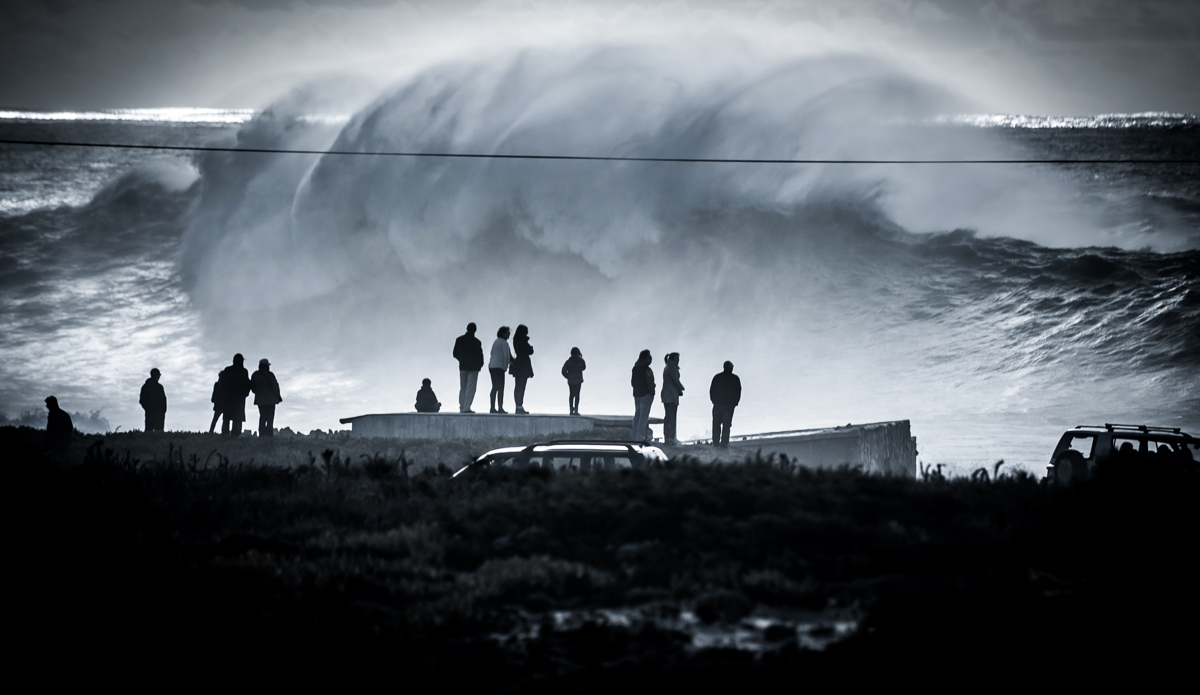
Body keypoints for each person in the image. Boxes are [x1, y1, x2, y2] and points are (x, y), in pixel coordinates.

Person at [217, 353, 252, 436]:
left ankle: (225, 435)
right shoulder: (244, 371)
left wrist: (223, 393)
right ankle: (235, 435)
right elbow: (247, 384)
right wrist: (245, 394)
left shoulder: (228, 370)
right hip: (239, 398)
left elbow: (222, 383)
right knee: (238, 418)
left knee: (227, 418)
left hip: (228, 397)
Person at [453, 323, 484, 413]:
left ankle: (462, 406)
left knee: (463, 387)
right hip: (474, 368)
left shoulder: (459, 340)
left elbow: (455, 353)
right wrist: (479, 365)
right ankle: (466, 407)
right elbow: (480, 355)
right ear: (475, 330)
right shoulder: (477, 342)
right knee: (471, 388)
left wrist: (461, 360)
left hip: (463, 366)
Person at [709, 361, 741, 448]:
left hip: (718, 404)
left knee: (716, 424)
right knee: (726, 425)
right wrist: (735, 403)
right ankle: (724, 443)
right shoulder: (735, 378)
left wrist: (714, 401)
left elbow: (712, 390)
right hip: (728, 405)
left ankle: (716, 443)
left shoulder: (717, 377)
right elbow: (738, 391)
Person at [250, 358, 282, 437]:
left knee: (262, 417)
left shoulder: (255, 375)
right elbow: (275, 386)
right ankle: (269, 436)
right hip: (271, 399)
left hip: (260, 399)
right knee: (270, 418)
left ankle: (261, 435)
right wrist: (278, 396)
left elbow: (252, 388)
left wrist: (258, 392)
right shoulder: (270, 374)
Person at [630, 349, 655, 442]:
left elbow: (632, 382)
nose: (651, 359)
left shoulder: (635, 368)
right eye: (649, 357)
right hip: (646, 395)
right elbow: (650, 383)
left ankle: (634, 436)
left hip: (637, 395)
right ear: (645, 358)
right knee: (643, 417)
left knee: (637, 416)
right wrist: (652, 392)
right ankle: (640, 438)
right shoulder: (647, 369)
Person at [661, 353, 684, 445]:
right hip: (671, 395)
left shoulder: (667, 367)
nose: (678, 360)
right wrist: (681, 388)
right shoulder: (672, 368)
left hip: (666, 394)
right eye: (677, 358)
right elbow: (675, 381)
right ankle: (671, 437)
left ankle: (668, 437)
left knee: (668, 415)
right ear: (674, 359)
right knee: (672, 416)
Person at [510, 324, 534, 414]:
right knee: (521, 386)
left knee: (517, 386)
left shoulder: (516, 340)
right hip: (524, 365)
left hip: (518, 365)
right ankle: (519, 406)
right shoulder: (523, 341)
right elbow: (530, 351)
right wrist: (529, 345)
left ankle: (518, 406)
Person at [489, 326, 513, 414]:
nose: (509, 334)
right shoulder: (504, 343)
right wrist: (506, 367)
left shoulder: (496, 342)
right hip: (499, 367)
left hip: (492, 366)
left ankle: (492, 407)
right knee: (501, 387)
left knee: (495, 386)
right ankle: (500, 407)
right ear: (504, 333)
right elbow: (506, 356)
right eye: (508, 333)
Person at [44, 395, 73, 463]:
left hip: (59, 443)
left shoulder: (54, 415)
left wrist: (46, 441)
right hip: (63, 442)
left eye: (48, 404)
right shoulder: (63, 414)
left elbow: (49, 430)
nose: (47, 406)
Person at [139, 368, 167, 432]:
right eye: (158, 375)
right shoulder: (149, 387)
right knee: (151, 432)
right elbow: (142, 400)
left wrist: (163, 411)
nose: (159, 377)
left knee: (156, 432)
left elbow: (163, 400)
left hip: (158, 414)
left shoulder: (158, 387)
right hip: (152, 414)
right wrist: (148, 408)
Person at [561, 347, 586, 415]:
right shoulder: (581, 360)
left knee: (571, 394)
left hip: (571, 380)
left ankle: (571, 410)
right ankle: (576, 410)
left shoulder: (568, 361)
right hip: (578, 380)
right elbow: (584, 367)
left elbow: (563, 371)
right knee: (577, 394)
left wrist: (568, 376)